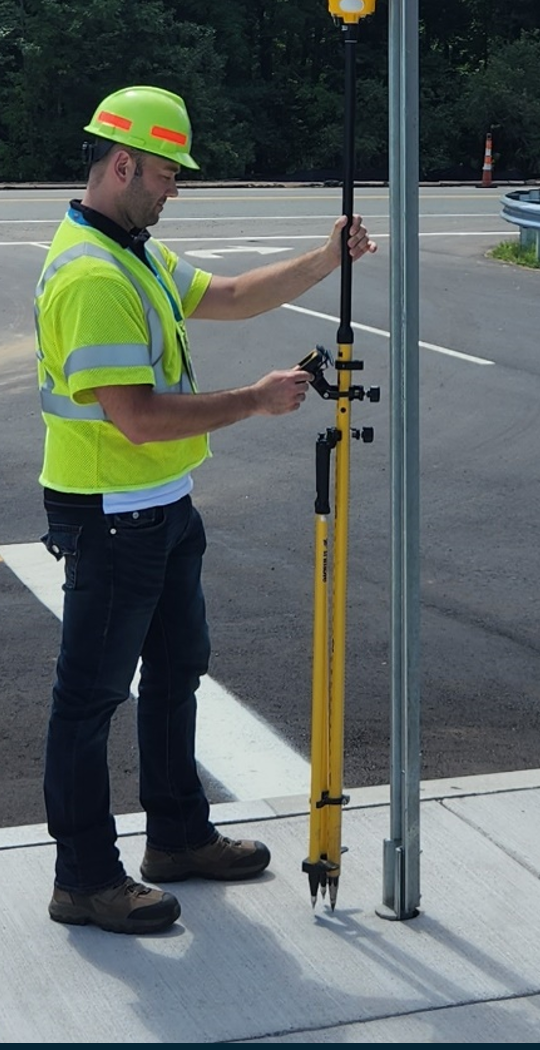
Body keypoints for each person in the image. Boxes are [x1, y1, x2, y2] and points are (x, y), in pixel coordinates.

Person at [38, 87, 375, 934]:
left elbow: (225, 294)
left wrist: (323, 257)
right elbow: (139, 417)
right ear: (122, 164)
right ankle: (83, 877)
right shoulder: (90, 275)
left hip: (160, 508)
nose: (173, 188)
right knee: (90, 699)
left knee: (178, 671)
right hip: (112, 512)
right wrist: (255, 401)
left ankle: (178, 835)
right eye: (165, 172)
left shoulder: (134, 252)